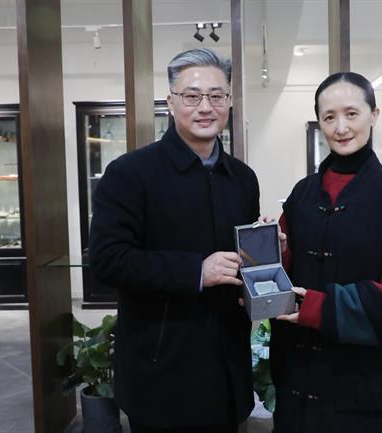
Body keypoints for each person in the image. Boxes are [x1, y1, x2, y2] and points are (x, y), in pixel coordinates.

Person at [89, 48, 259, 433]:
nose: (206, 107)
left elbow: (238, 260)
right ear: (170, 101)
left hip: (228, 367)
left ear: (229, 101)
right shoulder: (131, 173)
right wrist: (196, 270)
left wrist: (262, 249)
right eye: (192, 96)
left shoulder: (242, 178)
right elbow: (107, 260)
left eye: (217, 95)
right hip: (162, 366)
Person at [271, 72, 382, 433]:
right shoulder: (302, 194)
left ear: (374, 115)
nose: (341, 128)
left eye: (351, 114)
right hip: (302, 381)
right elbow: (285, 273)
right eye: (329, 117)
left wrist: (321, 308)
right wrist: (276, 252)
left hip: (378, 389)